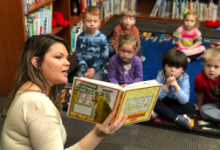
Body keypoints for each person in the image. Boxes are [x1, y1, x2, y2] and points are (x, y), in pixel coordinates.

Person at [0, 34, 127, 150]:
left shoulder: (24, 90)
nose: (67, 62)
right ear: (36, 62)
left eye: (66, 58)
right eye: (58, 57)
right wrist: (97, 134)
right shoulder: (39, 105)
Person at [152, 48, 196, 130]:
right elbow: (158, 97)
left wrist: (176, 86)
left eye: (177, 67)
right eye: (169, 66)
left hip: (177, 102)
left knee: (191, 107)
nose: (172, 70)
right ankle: (177, 119)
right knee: (154, 101)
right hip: (164, 100)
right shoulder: (161, 75)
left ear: (182, 69)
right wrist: (166, 85)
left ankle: (160, 113)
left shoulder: (184, 78)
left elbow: (184, 100)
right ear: (164, 66)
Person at [75, 6, 109, 81]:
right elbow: (78, 55)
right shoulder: (80, 37)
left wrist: (94, 68)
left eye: (95, 21)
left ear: (99, 22)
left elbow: (105, 56)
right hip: (84, 68)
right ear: (83, 22)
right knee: (79, 81)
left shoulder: (102, 38)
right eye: (89, 21)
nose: (92, 24)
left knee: (96, 82)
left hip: (98, 68)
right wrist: (84, 70)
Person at [194, 48, 220, 122]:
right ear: (203, 65)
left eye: (216, 67)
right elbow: (199, 94)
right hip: (211, 105)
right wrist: (198, 106)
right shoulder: (199, 79)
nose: (211, 69)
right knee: (202, 111)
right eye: (208, 65)